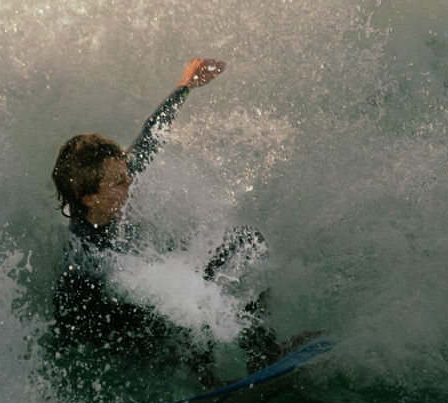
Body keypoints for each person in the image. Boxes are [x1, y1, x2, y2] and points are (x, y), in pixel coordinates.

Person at [47, 58, 286, 379]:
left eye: (126, 174)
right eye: (119, 182)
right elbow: (65, 326)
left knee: (246, 244)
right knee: (185, 302)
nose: (130, 184)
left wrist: (185, 85)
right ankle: (207, 385)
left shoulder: (114, 185)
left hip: (148, 304)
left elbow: (151, 136)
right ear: (89, 198)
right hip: (126, 337)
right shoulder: (84, 255)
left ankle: (264, 354)